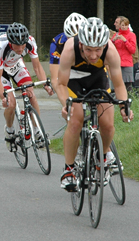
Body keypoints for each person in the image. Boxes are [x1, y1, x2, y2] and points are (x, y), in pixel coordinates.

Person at [57, 17, 134, 192]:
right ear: (81, 45)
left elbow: (119, 84)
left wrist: (124, 107)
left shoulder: (111, 51)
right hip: (73, 81)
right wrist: (66, 104)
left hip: (98, 79)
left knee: (107, 124)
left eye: (98, 50)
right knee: (75, 122)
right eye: (88, 50)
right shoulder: (69, 48)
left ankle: (103, 156)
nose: (93, 55)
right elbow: (61, 83)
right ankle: (69, 169)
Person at [0, 22, 53, 152]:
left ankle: (37, 131)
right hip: (1, 70)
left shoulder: (30, 42)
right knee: (11, 103)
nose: (21, 48)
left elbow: (37, 67)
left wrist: (45, 83)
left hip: (16, 65)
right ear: (11, 42)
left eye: (23, 45)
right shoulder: (0, 48)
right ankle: (9, 130)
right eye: (17, 46)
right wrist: (4, 97)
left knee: (30, 93)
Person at [49, 12, 87, 103]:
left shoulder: (91, 38)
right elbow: (55, 79)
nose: (77, 43)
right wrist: (65, 105)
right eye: (72, 40)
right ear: (66, 36)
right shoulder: (57, 44)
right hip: (69, 69)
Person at [111, 16, 137, 92]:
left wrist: (125, 41)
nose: (124, 27)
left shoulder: (132, 35)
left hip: (127, 63)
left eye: (126, 25)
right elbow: (111, 49)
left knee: (128, 85)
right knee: (117, 83)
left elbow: (132, 50)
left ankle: (129, 99)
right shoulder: (116, 34)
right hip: (117, 63)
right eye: (122, 25)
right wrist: (113, 41)